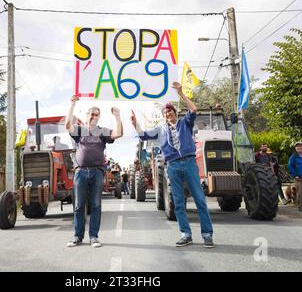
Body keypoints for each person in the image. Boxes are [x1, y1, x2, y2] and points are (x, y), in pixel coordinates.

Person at [130, 81, 214, 248]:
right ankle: (185, 234)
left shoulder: (185, 123)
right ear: (164, 115)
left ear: (175, 113)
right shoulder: (160, 130)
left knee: (200, 200)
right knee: (178, 202)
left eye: (170, 110)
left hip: (189, 163)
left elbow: (193, 110)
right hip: (173, 166)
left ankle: (207, 235)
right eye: (165, 112)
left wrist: (181, 93)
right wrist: (135, 124)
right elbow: (143, 135)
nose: (168, 113)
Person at [65, 95, 123, 248]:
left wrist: (117, 116)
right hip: (81, 172)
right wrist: (72, 104)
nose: (93, 116)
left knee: (96, 205)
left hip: (97, 172)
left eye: (96, 114)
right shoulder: (79, 130)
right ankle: (77, 237)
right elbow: (67, 126)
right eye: (91, 113)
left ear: (99, 117)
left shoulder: (103, 132)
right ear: (87, 115)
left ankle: (93, 237)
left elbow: (119, 133)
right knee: (79, 206)